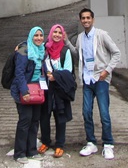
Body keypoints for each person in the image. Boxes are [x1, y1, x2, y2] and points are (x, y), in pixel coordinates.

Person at [75, 8, 121, 160]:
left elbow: (116, 53)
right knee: (86, 112)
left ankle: (108, 144)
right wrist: (66, 42)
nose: (86, 20)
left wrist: (107, 71)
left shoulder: (102, 34)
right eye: (83, 18)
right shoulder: (80, 37)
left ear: (92, 19)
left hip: (100, 79)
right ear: (80, 20)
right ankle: (91, 142)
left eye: (88, 18)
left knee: (104, 113)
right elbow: (78, 54)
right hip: (87, 79)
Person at [37, 24, 76, 158]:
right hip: (47, 89)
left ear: (63, 35)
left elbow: (68, 71)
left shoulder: (66, 51)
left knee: (60, 117)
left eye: (60, 33)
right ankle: (45, 141)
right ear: (51, 33)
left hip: (60, 89)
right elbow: (32, 42)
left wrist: (55, 76)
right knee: (44, 117)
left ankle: (59, 144)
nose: (57, 35)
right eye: (55, 32)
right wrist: (20, 46)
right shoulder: (45, 49)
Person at [10, 26, 46, 164]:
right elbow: (19, 73)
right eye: (35, 35)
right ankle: (19, 153)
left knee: (35, 120)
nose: (38, 38)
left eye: (41, 35)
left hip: (37, 91)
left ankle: (31, 150)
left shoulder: (42, 49)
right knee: (25, 120)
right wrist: (24, 91)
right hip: (24, 90)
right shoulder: (24, 50)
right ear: (31, 36)